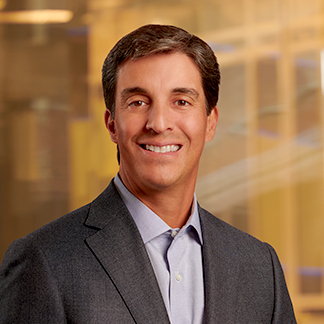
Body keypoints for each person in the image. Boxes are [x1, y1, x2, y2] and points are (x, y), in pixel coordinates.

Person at [0, 24, 296, 323]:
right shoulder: (44, 261)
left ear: (210, 122)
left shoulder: (260, 268)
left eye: (181, 101)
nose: (158, 123)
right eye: (138, 102)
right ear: (112, 124)